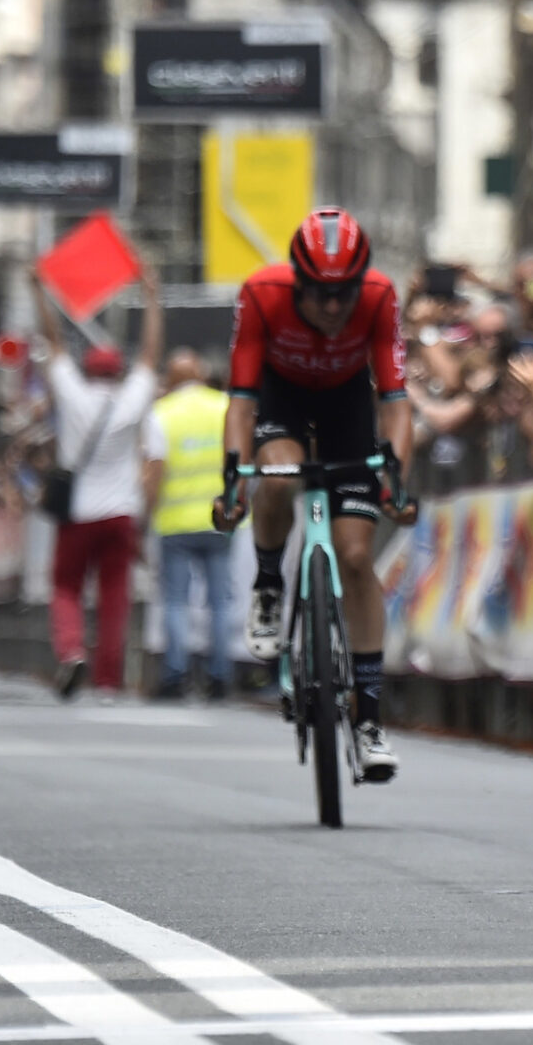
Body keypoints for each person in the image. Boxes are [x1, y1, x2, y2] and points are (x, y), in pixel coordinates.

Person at [217, 207, 421, 781]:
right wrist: (232, 478)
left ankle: (370, 718)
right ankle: (268, 585)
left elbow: (397, 402)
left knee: (356, 557)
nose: (334, 308)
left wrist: (395, 479)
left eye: (345, 295)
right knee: (277, 474)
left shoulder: (380, 298)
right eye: (321, 295)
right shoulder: (262, 294)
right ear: (298, 283)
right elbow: (240, 398)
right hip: (280, 400)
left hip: (346, 406)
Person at [33, 261, 163, 701]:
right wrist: (151, 296)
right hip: (121, 512)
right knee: (114, 598)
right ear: (117, 371)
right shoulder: (132, 399)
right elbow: (150, 355)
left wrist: (39, 292)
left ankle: (71, 651)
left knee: (66, 587)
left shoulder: (71, 394)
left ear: (89, 370)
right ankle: (108, 680)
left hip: (78, 513)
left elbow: (53, 345)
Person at [142, 347, 242, 701]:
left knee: (176, 602)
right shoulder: (225, 406)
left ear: (170, 378)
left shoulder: (162, 413)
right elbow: (242, 459)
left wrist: (146, 515)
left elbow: (154, 470)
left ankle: (176, 674)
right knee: (220, 601)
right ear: (199, 374)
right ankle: (220, 676)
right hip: (221, 520)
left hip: (175, 523)